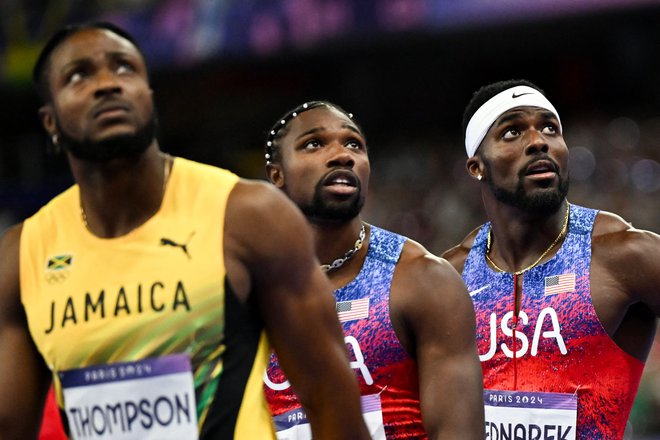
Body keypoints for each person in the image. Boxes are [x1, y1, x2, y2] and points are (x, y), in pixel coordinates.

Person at [0, 22, 371, 439]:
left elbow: (330, 397)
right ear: (50, 121)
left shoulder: (246, 215)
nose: (107, 84)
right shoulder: (21, 255)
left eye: (124, 68)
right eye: (79, 75)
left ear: (148, 97)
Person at [442, 79, 660, 439]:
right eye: (512, 131)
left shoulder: (621, 255)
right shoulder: (451, 276)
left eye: (549, 128)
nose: (539, 141)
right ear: (477, 166)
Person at [262, 101, 484, 439]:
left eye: (354, 144)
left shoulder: (422, 280)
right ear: (277, 174)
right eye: (314, 144)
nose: (341, 155)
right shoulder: (245, 290)